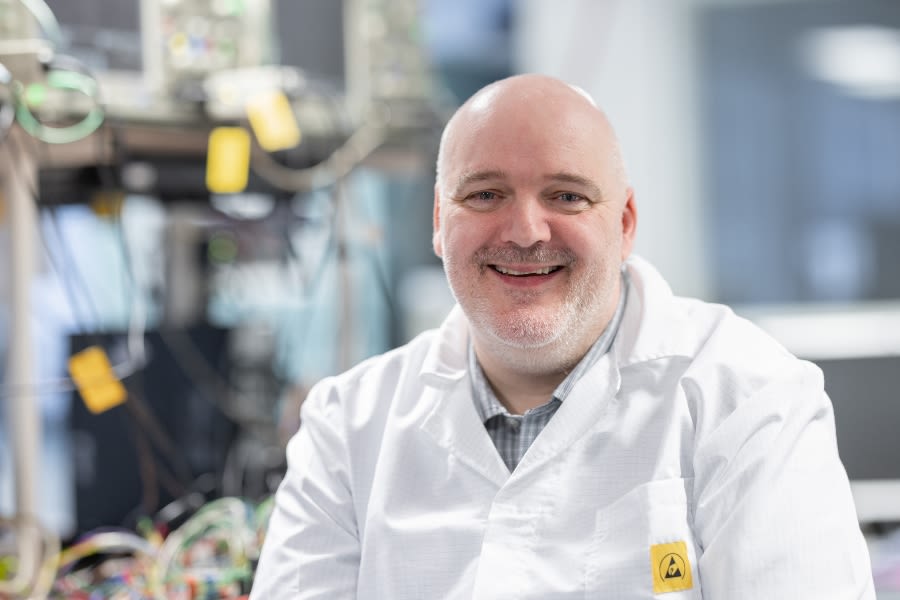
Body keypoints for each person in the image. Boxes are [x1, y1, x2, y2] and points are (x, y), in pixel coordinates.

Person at [250, 74, 875, 599]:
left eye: (566, 196)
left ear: (624, 223)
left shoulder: (749, 397)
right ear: (441, 222)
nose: (525, 231)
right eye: (486, 193)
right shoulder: (346, 427)